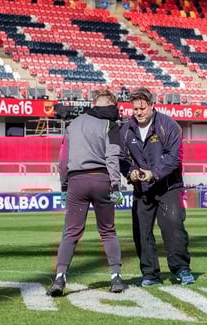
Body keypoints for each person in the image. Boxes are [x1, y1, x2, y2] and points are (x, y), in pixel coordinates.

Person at [47, 89, 128, 297]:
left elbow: (63, 159)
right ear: (112, 105)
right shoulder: (110, 124)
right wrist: (117, 186)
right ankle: (116, 276)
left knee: (71, 233)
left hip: (76, 181)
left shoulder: (74, 124)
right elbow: (112, 157)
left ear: (94, 103)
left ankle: (59, 277)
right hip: (101, 179)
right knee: (108, 231)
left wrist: (64, 185)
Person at [120, 87, 195, 287]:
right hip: (141, 190)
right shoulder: (126, 129)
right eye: (135, 108)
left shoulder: (168, 125)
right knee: (141, 232)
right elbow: (121, 158)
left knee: (173, 226)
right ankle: (150, 274)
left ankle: (181, 269)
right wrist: (130, 173)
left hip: (169, 186)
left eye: (142, 108)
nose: (139, 112)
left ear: (152, 105)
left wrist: (154, 173)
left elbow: (174, 158)